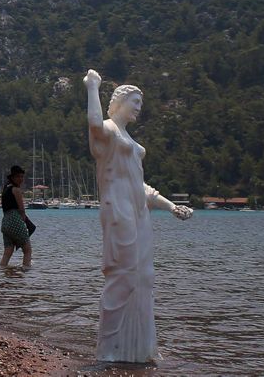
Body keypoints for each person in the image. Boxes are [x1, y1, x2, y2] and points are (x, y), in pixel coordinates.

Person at [85, 68, 193, 363]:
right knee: (122, 276)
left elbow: (142, 187)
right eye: (135, 102)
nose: (139, 108)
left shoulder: (132, 144)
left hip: (139, 213)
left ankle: (139, 348)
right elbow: (94, 124)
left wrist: (171, 207)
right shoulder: (107, 132)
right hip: (118, 211)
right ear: (119, 101)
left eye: (140, 104)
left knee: (143, 277)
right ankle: (107, 350)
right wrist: (92, 86)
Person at [0, 165, 33, 267]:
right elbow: (22, 209)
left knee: (8, 251)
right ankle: (26, 271)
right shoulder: (16, 190)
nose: (21, 179)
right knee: (27, 249)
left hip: (5, 221)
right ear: (12, 177)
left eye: (22, 177)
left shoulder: (6, 189)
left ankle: (3, 270)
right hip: (15, 219)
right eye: (18, 177)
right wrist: (24, 222)